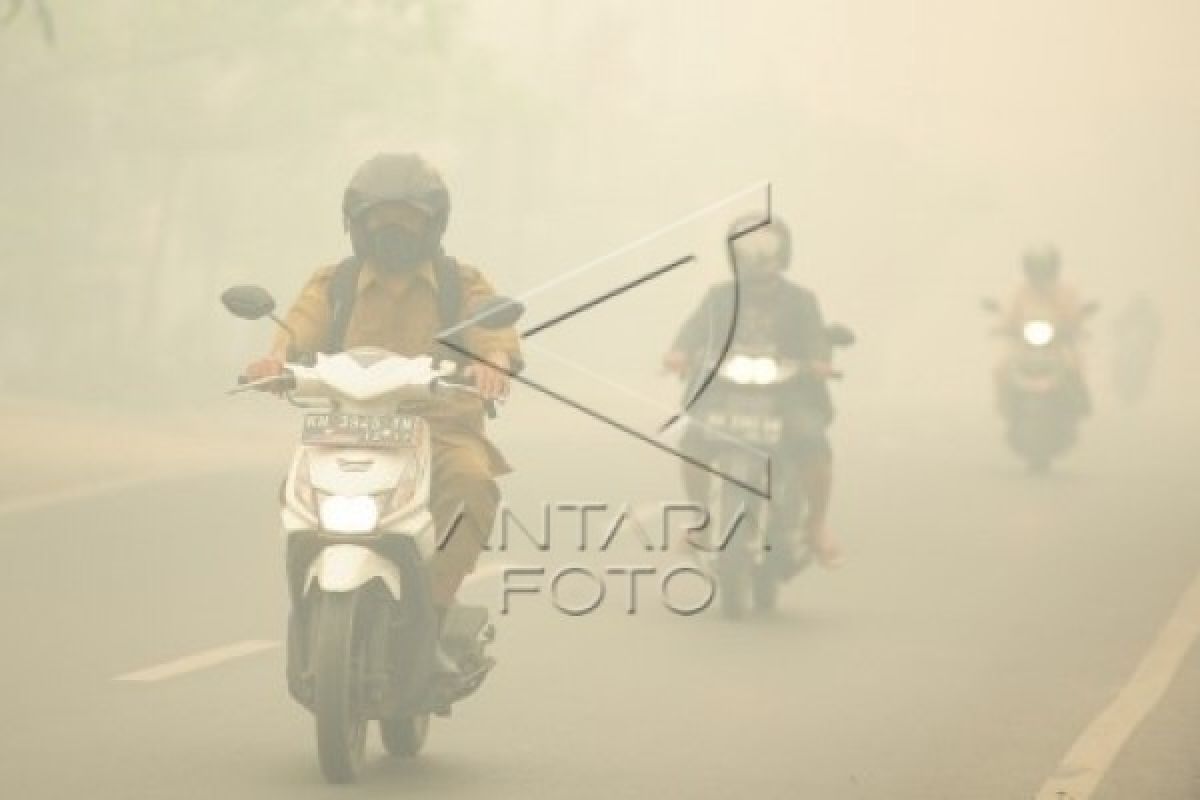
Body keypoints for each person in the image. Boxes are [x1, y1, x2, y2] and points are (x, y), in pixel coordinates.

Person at [243, 153, 521, 623]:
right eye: (381, 220)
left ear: (434, 225)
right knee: (294, 491)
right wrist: (276, 361)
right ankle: (309, 600)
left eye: (407, 220)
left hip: (441, 430)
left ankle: (434, 608)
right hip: (346, 427)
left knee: (473, 485)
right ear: (357, 224)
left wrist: (493, 362)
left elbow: (493, 334)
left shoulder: (462, 283)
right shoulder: (335, 283)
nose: (393, 231)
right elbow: (298, 330)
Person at [662, 215, 843, 567]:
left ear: (783, 253)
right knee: (694, 437)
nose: (758, 258)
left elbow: (816, 339)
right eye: (749, 249)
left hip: (788, 393)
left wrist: (819, 361)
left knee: (811, 438)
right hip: (723, 389)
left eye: (766, 248)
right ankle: (702, 519)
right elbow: (693, 331)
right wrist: (679, 353)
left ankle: (817, 523)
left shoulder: (801, 301)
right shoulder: (719, 298)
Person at [994, 244, 1091, 415]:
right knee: (1001, 367)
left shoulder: (1065, 291)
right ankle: (1005, 406)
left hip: (1057, 344)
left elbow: (1074, 315)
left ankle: (1079, 402)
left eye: (1044, 269)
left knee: (1074, 366)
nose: (1040, 275)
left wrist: (1074, 326)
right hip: (1026, 345)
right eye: (1036, 270)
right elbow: (1010, 316)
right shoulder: (1020, 291)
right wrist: (1004, 327)